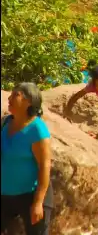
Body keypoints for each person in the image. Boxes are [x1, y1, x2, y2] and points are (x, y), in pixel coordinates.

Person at [1, 83, 53, 235]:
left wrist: (38, 203)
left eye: (15, 95)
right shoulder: (5, 122)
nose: (9, 98)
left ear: (29, 101)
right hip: (5, 194)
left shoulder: (37, 129)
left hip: (30, 196)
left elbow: (44, 166)